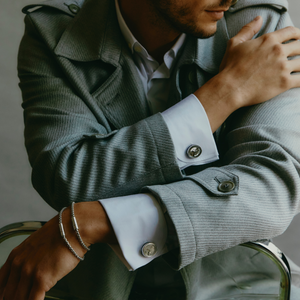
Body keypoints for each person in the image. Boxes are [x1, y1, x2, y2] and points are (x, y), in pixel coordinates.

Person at [1, 0, 300, 299]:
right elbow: (67, 177)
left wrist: (98, 221)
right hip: (101, 289)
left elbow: (273, 187)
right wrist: (226, 92)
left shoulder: (259, 21)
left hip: (238, 287)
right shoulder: (57, 31)